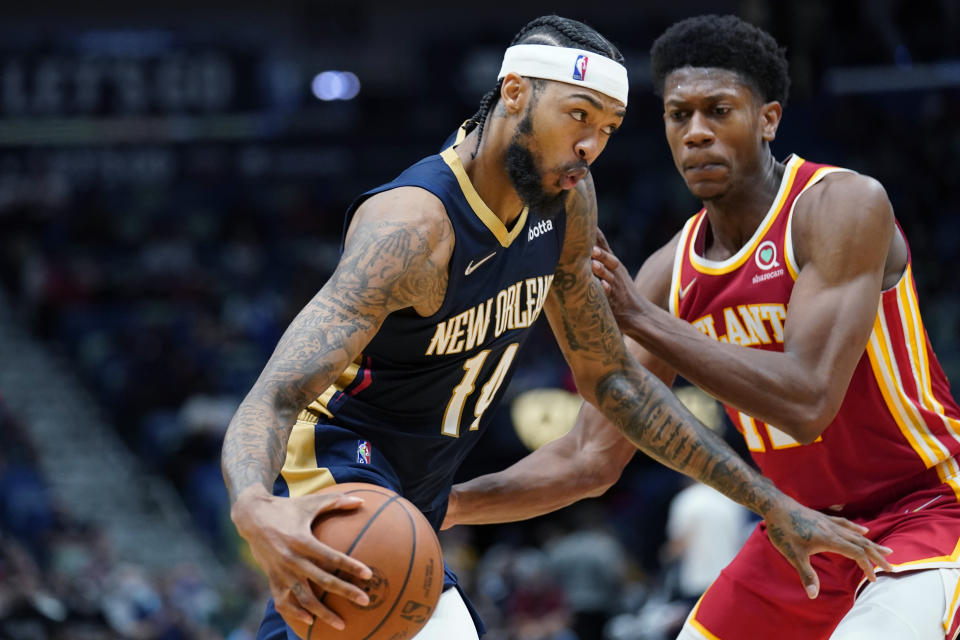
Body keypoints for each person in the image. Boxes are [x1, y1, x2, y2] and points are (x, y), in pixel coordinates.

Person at [221, 15, 891, 640]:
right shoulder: (413, 227)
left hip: (411, 500)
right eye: (577, 116)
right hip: (336, 483)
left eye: (607, 128)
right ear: (514, 93)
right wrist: (253, 505)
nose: (590, 146)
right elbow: (277, 394)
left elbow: (616, 388)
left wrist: (770, 503)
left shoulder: (566, 204)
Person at [444, 13, 960, 640]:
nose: (696, 134)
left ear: (768, 119)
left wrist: (639, 317)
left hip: (924, 510)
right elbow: (589, 458)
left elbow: (808, 400)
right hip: (799, 529)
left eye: (719, 111)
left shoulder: (839, 205)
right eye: (678, 115)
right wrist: (440, 505)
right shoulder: (672, 269)